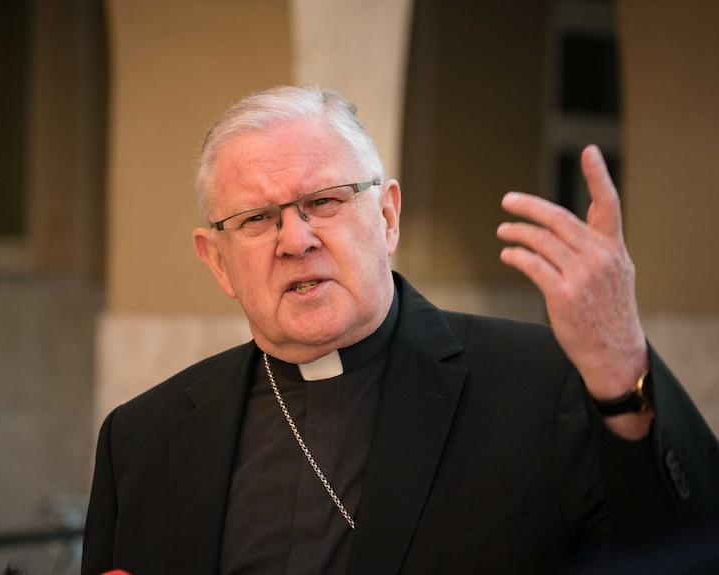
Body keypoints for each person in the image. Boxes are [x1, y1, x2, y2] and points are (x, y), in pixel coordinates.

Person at [81, 86, 719, 575]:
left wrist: (619, 373)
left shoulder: (544, 384)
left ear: (387, 217)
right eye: (256, 219)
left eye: (324, 202)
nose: (295, 240)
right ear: (216, 259)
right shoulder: (138, 442)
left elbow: (683, 550)